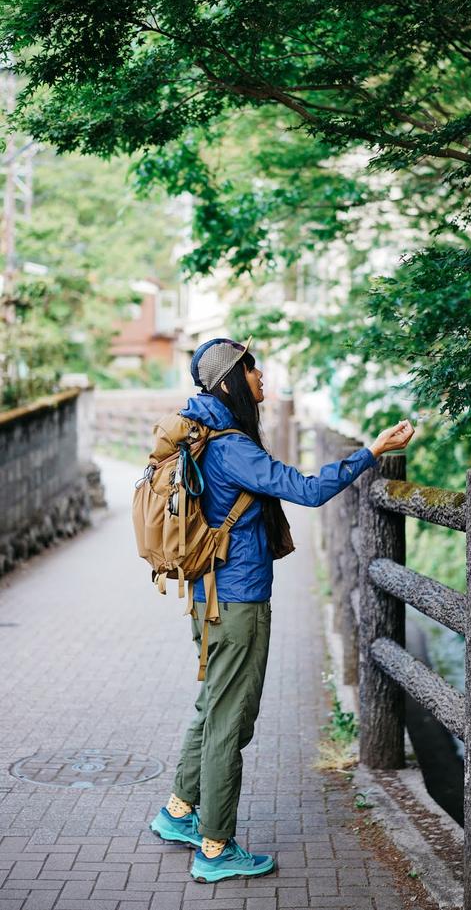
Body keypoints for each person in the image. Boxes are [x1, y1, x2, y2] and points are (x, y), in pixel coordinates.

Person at [149, 336, 414, 884]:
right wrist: (371, 452)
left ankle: (178, 812)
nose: (261, 375)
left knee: (212, 705)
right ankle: (215, 848)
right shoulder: (232, 448)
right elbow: (308, 490)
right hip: (237, 603)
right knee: (230, 721)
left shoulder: (205, 434)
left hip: (208, 597)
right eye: (252, 369)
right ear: (231, 381)